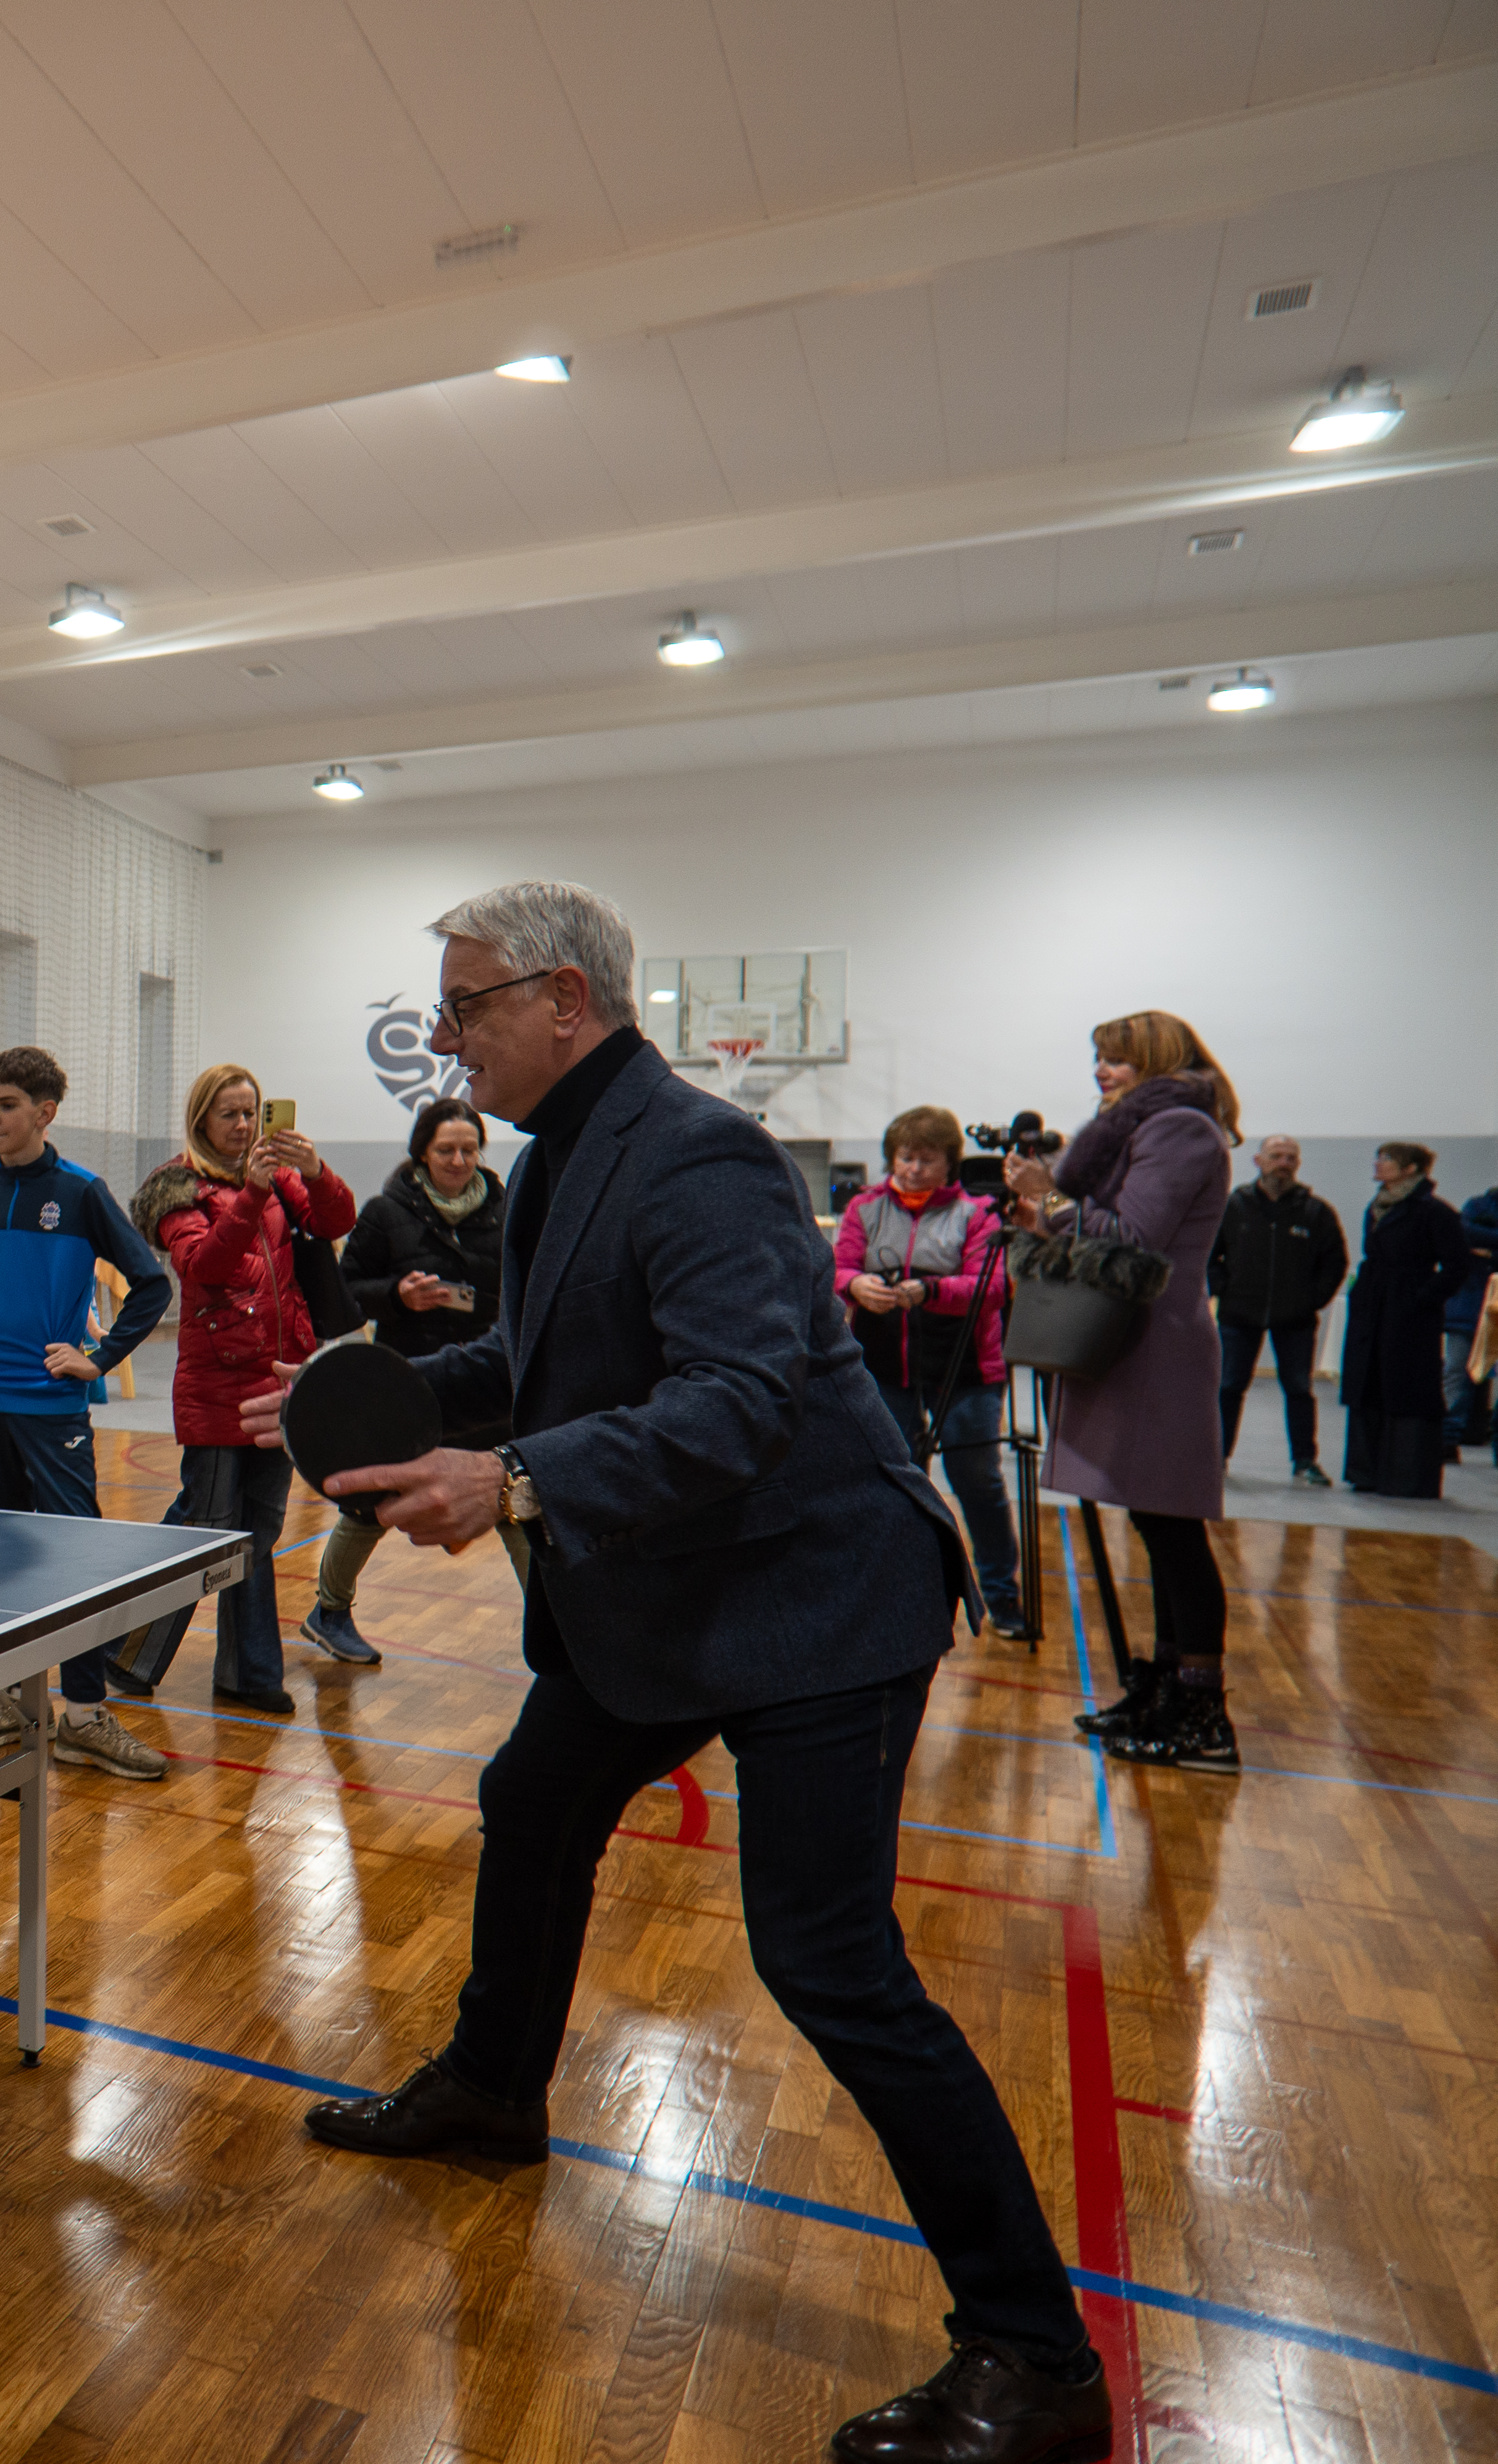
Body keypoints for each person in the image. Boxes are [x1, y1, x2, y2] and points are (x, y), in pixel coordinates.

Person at [251, 883, 1106, 2464]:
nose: (445, 1036)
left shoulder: (700, 1148)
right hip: (670, 1594)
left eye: (466, 1003)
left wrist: (508, 1485)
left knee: (828, 1962)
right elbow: (540, 1360)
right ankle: (498, 2092)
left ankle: (1036, 2357)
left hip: (812, 1606)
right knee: (533, 1796)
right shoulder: (566, 1149)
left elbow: (732, 1401)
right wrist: (374, 1391)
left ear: (562, 998)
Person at [0, 1046, 175, 1780]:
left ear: (45, 1112)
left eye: (6, 1105)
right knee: (2, 1560)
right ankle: (13, 1695)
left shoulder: (80, 1192)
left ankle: (85, 1713)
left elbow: (151, 1285)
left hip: (50, 1405)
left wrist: (96, 1360)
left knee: (73, 1560)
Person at [1003, 1011, 1238, 1774]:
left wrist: (1057, 1199)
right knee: (1155, 1520)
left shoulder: (1181, 1130)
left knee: (1174, 1527)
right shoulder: (1148, 1127)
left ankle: (1202, 1710)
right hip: (1131, 1344)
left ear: (1156, 1060)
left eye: (1117, 1060)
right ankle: (1165, 1684)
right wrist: (1045, 1215)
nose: (1102, 1072)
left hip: (1157, 1349)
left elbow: (1133, 1239)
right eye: (1098, 1059)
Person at [107, 1065, 355, 1713]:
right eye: (230, 1114)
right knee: (207, 1523)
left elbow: (336, 1220)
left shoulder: (283, 1179)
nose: (245, 1126)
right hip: (217, 1381)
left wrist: (317, 1169)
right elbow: (203, 1265)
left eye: (252, 1112)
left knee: (259, 1531)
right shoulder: (176, 1187)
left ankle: (248, 1673)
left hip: (281, 1378)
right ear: (202, 1121)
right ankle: (126, 1649)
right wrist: (249, 1195)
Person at [307, 1096, 525, 1657]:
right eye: (446, 1150)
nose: (458, 1160)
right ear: (422, 1154)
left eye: (469, 1149)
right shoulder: (385, 1212)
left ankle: (554, 1625)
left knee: (515, 1496)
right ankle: (329, 1612)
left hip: (488, 1380)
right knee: (371, 1502)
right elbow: (347, 1291)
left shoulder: (509, 1210)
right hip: (409, 1379)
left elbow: (525, 1293)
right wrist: (398, 1297)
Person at [834, 1108, 1024, 1638]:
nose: (913, 1168)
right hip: (885, 1367)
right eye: (904, 1157)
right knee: (894, 1481)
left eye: (927, 1159)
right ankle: (896, 1592)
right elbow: (838, 1265)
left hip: (964, 1369)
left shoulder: (978, 1210)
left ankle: (1003, 1600)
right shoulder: (864, 1206)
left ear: (949, 1164)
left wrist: (931, 1291)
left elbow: (992, 1288)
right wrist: (855, 1286)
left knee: (977, 1482)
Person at [1208, 1134, 1344, 1484]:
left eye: (1290, 1157)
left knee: (1299, 1389)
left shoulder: (1316, 1212)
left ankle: (1304, 1460)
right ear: (1258, 1161)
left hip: (1296, 1319)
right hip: (1239, 1314)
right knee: (1229, 1386)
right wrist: (1223, 1288)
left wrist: (1312, 1299)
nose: (1283, 1163)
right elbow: (1209, 1255)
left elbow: (1335, 1263)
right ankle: (1216, 1457)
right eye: (1276, 1156)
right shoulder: (1233, 1206)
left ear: (1297, 1164)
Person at [1336, 1142, 1468, 1499]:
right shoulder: (1377, 1206)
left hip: (1410, 1313)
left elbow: (1458, 1266)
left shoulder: (1434, 1212)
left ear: (1411, 1169)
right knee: (1368, 1382)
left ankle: (1406, 1476)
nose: (1378, 1164)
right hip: (1373, 1306)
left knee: (1406, 1388)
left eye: (1388, 1160)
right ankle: (1366, 1471)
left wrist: (1422, 1298)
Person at [1455, 1181, 1498, 1447]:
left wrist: (1489, 1251)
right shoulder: (1477, 1204)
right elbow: (1464, 1233)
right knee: (1460, 1368)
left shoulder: (1477, 1208)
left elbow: (1472, 1235)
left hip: (1480, 1298)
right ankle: (1455, 1431)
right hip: (1471, 1300)